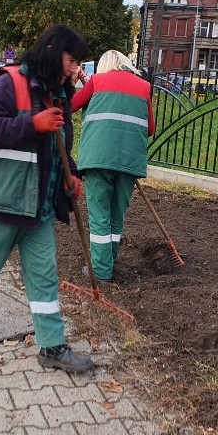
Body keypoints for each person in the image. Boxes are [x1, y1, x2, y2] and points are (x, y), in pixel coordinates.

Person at [0, 24, 94, 374]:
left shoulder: (57, 93)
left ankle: (52, 346)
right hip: (1, 200)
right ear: (53, 51)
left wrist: (71, 175)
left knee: (44, 275)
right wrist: (32, 124)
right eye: (71, 60)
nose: (74, 69)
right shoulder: (9, 82)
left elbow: (56, 144)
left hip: (37, 204)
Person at [70, 50, 155, 286]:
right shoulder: (143, 86)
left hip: (98, 158)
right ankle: (109, 261)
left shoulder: (97, 81)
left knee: (99, 217)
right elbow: (150, 128)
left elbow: (71, 105)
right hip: (129, 161)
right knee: (116, 216)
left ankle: (101, 272)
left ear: (104, 65)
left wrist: (76, 83)